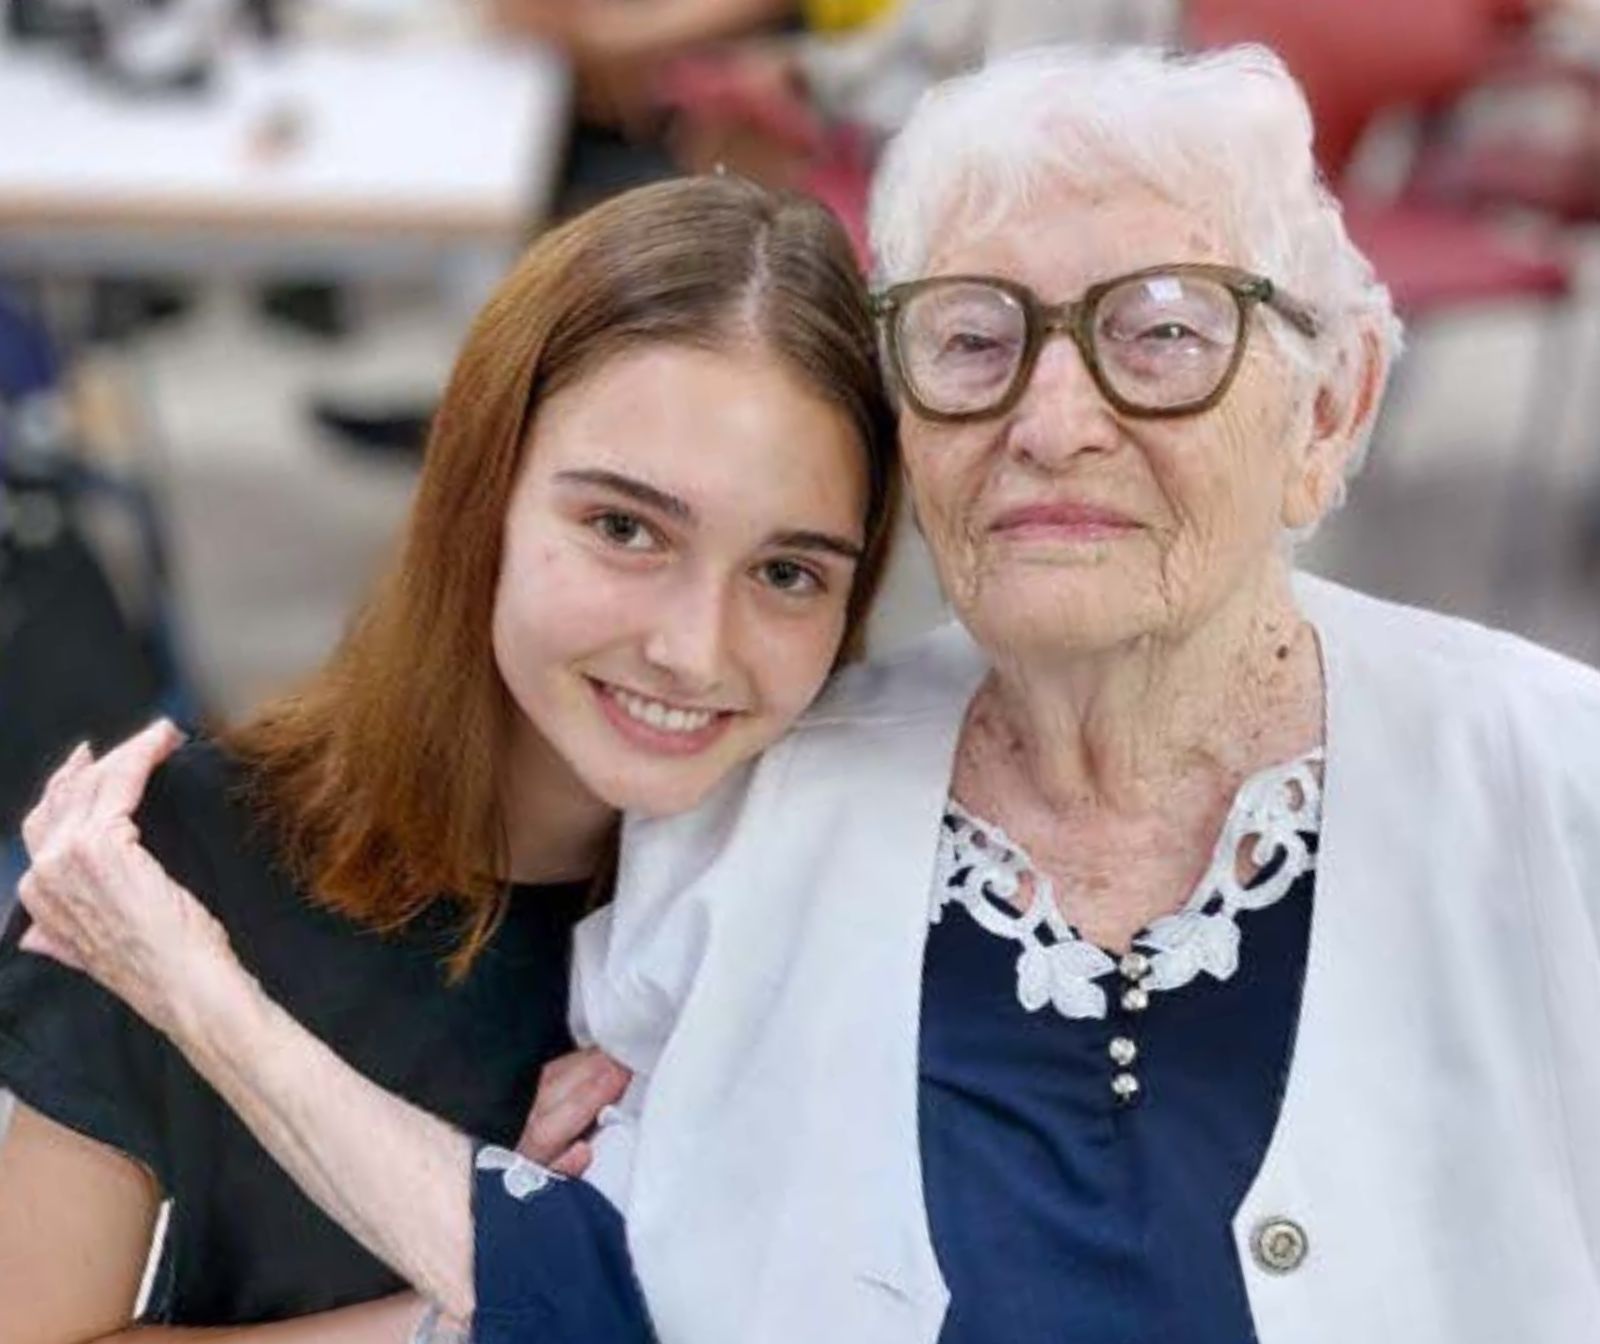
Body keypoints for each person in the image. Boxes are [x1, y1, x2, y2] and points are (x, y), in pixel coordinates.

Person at [18, 41, 1600, 1344]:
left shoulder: (1552, 785)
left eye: (1164, 333)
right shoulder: (746, 834)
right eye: (974, 339)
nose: (1055, 420)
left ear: (1329, 410)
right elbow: (606, 1301)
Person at [0, 175, 897, 1343]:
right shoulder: (181, 869)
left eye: (786, 573)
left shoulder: (858, 911)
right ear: (482, 495)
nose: (693, 648)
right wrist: (479, 1295)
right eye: (625, 528)